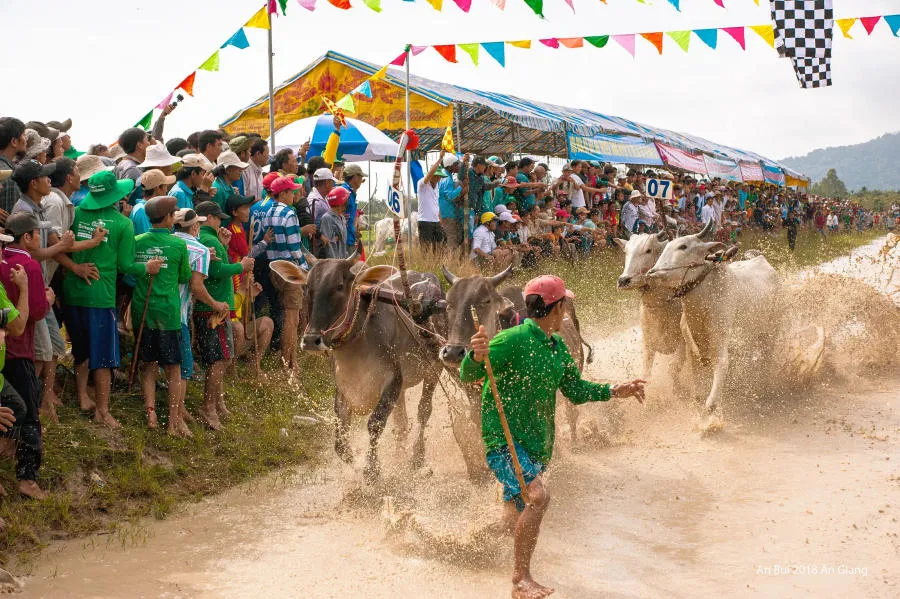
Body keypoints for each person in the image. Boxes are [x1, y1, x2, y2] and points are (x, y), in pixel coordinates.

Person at [460, 275, 645, 599]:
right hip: (503, 440)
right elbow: (470, 374)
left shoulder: (557, 347)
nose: (567, 314)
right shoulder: (512, 339)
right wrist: (475, 356)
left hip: (535, 445)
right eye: (566, 306)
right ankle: (520, 580)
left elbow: (575, 390)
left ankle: (461, 547)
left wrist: (616, 390)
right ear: (556, 308)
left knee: (511, 520)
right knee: (538, 497)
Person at [64, 170, 162, 427]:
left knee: (81, 349)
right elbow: (126, 265)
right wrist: (147, 268)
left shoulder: (76, 214)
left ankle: (84, 396)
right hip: (101, 295)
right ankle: (103, 411)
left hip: (73, 291)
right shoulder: (123, 223)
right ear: (115, 196)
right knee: (104, 357)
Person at [0, 213, 51, 499]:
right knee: (29, 415)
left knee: (10, 409)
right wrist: (47, 299)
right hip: (19, 349)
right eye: (36, 234)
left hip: (4, 351)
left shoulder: (4, 259)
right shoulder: (28, 265)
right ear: (28, 237)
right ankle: (27, 479)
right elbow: (36, 311)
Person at [131, 196, 191, 435]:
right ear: (167, 218)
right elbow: (185, 276)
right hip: (168, 313)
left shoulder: (137, 241)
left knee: (149, 366)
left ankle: (151, 414)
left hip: (142, 311)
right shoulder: (178, 245)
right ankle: (174, 422)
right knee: (173, 369)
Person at [192, 201, 253, 430]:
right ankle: (208, 407)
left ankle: (216, 402)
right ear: (209, 218)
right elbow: (215, 271)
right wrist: (241, 267)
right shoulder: (208, 240)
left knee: (221, 358)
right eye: (218, 218)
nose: (221, 222)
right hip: (213, 309)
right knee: (219, 359)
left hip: (216, 307)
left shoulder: (212, 239)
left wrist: (225, 246)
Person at [172, 209, 226, 432]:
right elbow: (196, 287)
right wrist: (216, 305)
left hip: (153, 310)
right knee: (183, 367)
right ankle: (177, 416)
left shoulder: (168, 241)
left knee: (154, 365)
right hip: (178, 313)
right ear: (194, 228)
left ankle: (172, 410)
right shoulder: (199, 248)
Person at [417, 152, 449, 254]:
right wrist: (440, 159)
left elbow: (436, 205)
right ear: (433, 175)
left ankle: (437, 265)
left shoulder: (437, 187)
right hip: (425, 221)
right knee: (426, 249)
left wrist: (440, 220)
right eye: (437, 176)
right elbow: (430, 174)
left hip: (435, 222)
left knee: (441, 245)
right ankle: (427, 265)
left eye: (440, 177)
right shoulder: (422, 184)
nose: (439, 178)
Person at [0, 117, 28, 223]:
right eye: (23, 134)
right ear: (14, 141)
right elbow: (10, 225)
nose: (26, 139)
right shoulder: (10, 176)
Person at [133, 169, 175, 236]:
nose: (166, 190)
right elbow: (147, 241)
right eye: (165, 186)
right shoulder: (142, 211)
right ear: (158, 188)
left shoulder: (143, 208)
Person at [114, 127, 150, 204]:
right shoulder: (133, 170)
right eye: (147, 140)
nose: (149, 143)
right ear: (140, 145)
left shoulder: (124, 163)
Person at [211, 151, 249, 215]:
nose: (241, 171)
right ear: (227, 170)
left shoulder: (228, 186)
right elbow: (217, 216)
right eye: (237, 168)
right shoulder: (217, 189)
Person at [341, 163, 366, 254]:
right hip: (344, 239)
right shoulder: (344, 192)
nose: (361, 180)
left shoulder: (350, 192)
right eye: (360, 177)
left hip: (349, 237)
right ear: (355, 177)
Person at [319, 187, 350, 259]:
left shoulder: (342, 218)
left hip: (342, 259)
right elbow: (329, 246)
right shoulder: (327, 218)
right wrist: (334, 263)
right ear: (341, 202)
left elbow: (343, 242)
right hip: (333, 262)